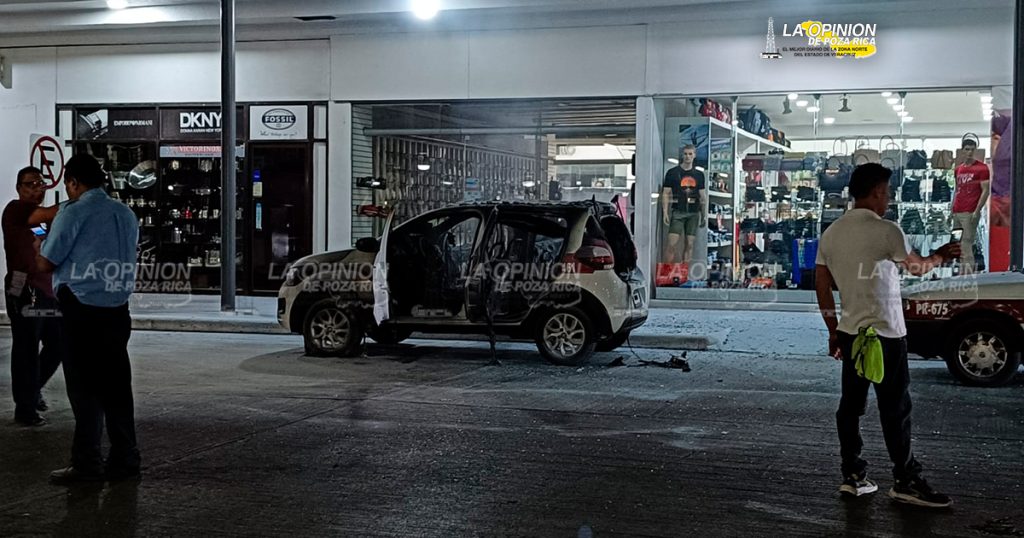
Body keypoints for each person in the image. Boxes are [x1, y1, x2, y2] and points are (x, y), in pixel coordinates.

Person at [814, 163, 960, 509]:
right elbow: (916, 267)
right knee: (895, 408)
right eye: (888, 192)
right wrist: (941, 254)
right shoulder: (886, 230)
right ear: (878, 191)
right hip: (886, 335)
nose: (889, 199)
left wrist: (833, 330)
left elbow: (821, 285)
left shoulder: (831, 233)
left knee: (850, 407)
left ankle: (853, 474)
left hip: (852, 333)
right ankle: (905, 480)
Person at [38, 154, 140, 484]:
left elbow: (48, 261)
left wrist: (40, 243)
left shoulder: (74, 211)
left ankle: (87, 463)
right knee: (117, 388)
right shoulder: (125, 214)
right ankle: (125, 460)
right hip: (117, 309)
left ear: (73, 183)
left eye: (68, 185)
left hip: (81, 307)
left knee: (84, 389)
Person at [3, 166, 61, 426]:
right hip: (22, 285)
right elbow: (51, 213)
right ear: (19, 187)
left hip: (44, 287)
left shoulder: (37, 221)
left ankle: (31, 390)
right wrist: (82, 199)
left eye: (41, 183)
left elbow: (43, 234)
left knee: (58, 342)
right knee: (26, 346)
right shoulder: (16, 208)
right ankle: (25, 407)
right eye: (31, 183)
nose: (38, 188)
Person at [661, 144, 706, 270]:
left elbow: (702, 196)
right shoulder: (672, 173)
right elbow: (665, 193)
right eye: (686, 154)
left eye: (690, 154)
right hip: (678, 212)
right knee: (671, 244)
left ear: (694, 155)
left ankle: (684, 273)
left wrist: (704, 214)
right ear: (682, 155)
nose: (688, 156)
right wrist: (665, 212)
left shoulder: (699, 175)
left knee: (690, 244)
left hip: (693, 212)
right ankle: (666, 273)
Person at [951, 138, 990, 273]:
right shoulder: (959, 169)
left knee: (966, 244)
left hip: (970, 211)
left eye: (972, 149)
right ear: (962, 150)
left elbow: (986, 190)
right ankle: (962, 274)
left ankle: (968, 277)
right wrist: (952, 210)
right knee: (958, 245)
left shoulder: (981, 168)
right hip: (957, 210)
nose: (969, 152)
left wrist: (977, 210)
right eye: (967, 149)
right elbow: (957, 190)